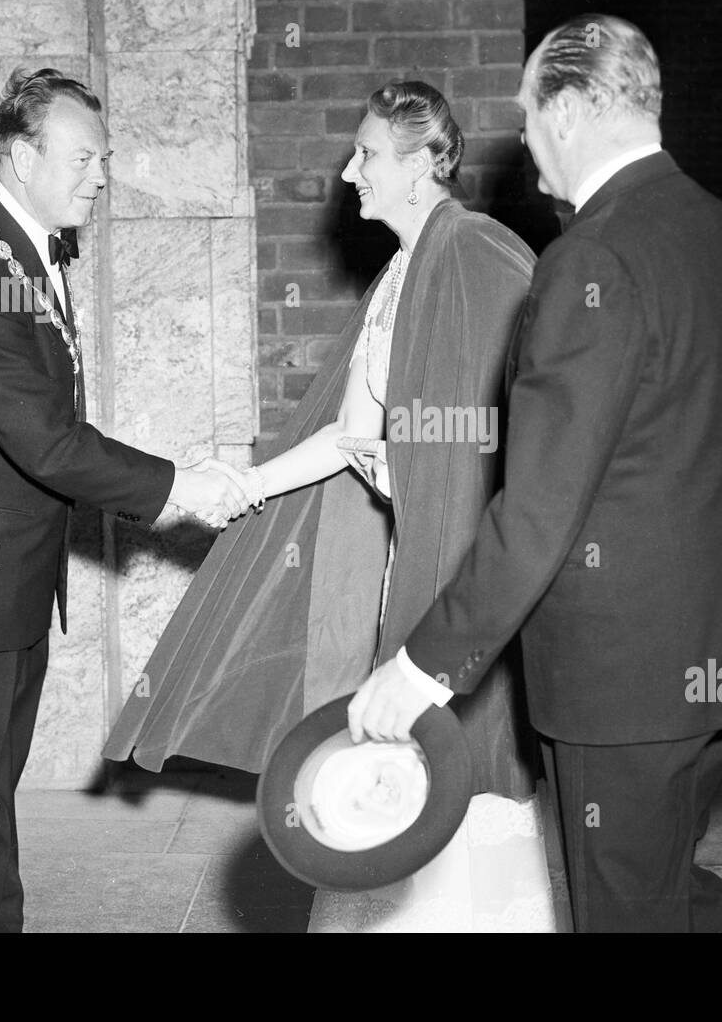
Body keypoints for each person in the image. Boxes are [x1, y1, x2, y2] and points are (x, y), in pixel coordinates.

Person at [348, 15, 722, 932]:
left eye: (528, 113)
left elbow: (542, 506)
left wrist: (426, 665)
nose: (523, 141)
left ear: (576, 108)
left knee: (622, 911)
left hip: (628, 678)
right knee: (672, 887)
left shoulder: (589, 258)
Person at [104, 81, 565, 932]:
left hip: (465, 568)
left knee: (462, 788)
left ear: (426, 165)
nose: (349, 171)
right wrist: (244, 485)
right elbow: (354, 435)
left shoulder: (478, 254)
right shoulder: (400, 270)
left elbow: (511, 445)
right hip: (411, 560)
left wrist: (427, 495)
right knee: (400, 790)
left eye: (368, 155)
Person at [0, 67, 245, 932]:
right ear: (18, 154)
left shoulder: (20, 242)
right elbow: (44, 440)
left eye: (102, 157)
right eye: (82, 157)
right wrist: (180, 484)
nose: (101, 176)